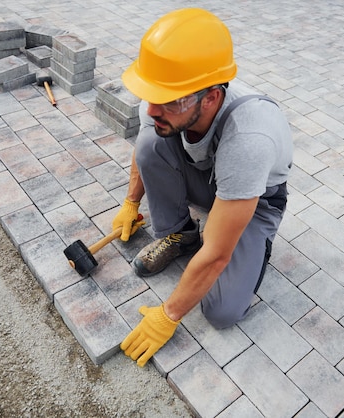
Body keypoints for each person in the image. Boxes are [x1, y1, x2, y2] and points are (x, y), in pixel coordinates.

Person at [113, 8, 294, 367]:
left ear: (211, 97)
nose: (151, 109)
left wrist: (168, 315)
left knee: (223, 311)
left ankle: (257, 243)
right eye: (151, 96)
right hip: (212, 177)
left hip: (253, 199)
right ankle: (182, 235)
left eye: (166, 101)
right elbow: (144, 146)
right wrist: (131, 202)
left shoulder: (249, 138)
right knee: (151, 143)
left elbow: (217, 256)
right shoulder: (161, 101)